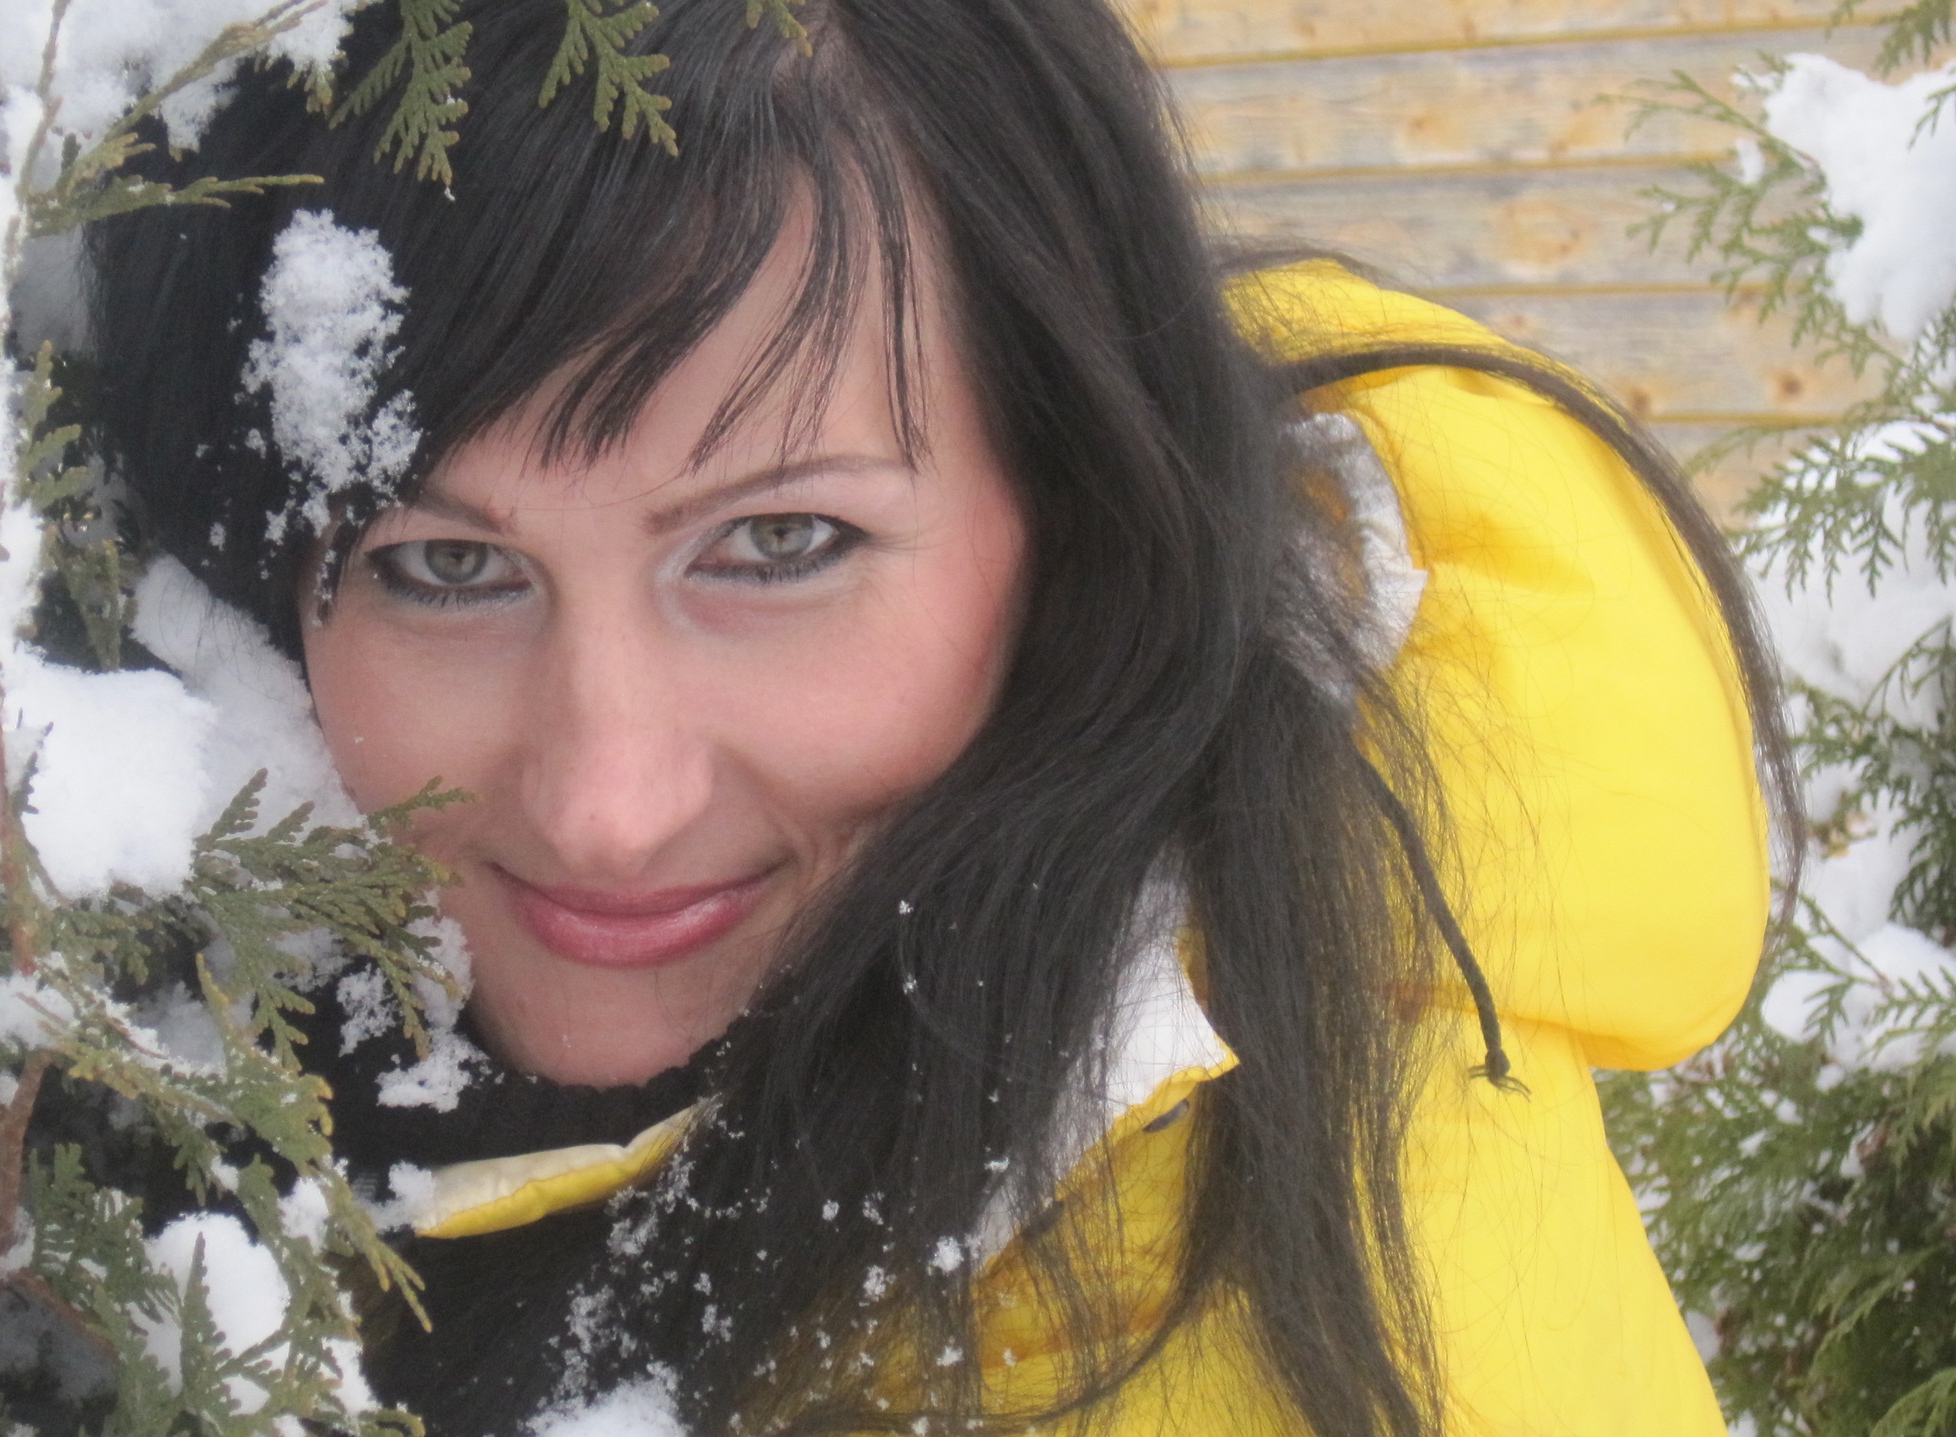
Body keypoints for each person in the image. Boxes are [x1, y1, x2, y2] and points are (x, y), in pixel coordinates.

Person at [87, 0, 1797, 1433]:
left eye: (781, 543)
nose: (610, 803)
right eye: (446, 565)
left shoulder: (1340, 1318)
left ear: (1076, 510)